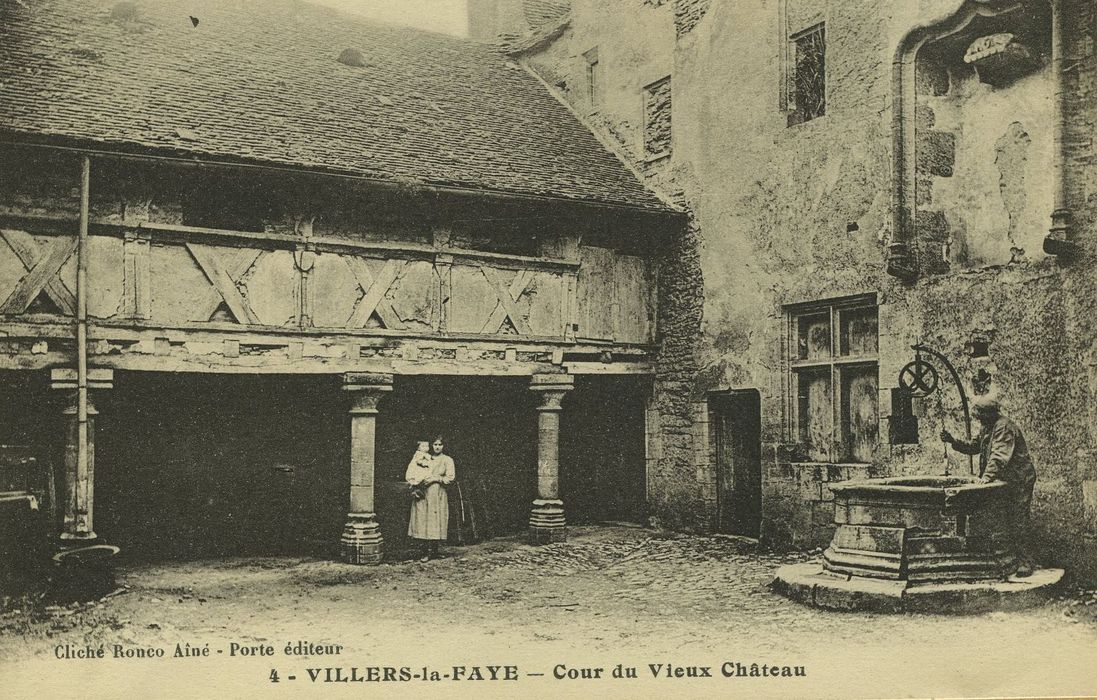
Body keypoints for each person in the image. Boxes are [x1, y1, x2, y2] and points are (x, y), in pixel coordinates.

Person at [940, 395, 1038, 576]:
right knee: (1005, 519)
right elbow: (974, 446)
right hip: (1005, 481)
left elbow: (999, 457)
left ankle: (1026, 562)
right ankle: (1009, 559)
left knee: (1018, 519)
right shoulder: (988, 426)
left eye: (980, 415)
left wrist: (986, 478)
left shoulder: (1004, 428)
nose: (977, 419)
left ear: (990, 413)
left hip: (1019, 481)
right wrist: (953, 441)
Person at [405, 436, 455, 562]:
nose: (437, 447)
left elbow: (450, 478)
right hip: (423, 493)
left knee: (435, 520)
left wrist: (435, 479)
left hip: (437, 494)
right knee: (422, 520)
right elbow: (414, 472)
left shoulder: (447, 460)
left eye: (440, 444)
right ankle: (424, 551)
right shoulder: (424, 457)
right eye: (435, 444)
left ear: (443, 446)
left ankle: (434, 551)